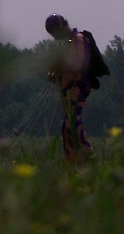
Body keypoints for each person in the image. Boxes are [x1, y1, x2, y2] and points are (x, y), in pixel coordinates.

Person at [45, 13, 109, 165]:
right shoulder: (67, 44)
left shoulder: (79, 39)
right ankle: (72, 160)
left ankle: (88, 156)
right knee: (66, 125)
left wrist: (62, 70)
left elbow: (80, 63)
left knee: (72, 123)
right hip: (67, 88)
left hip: (78, 86)